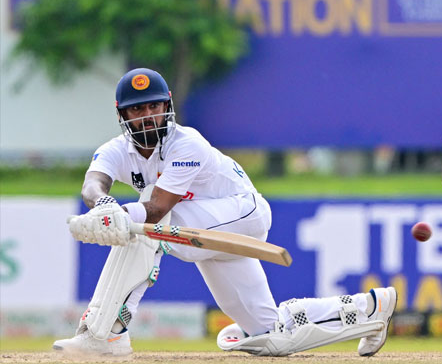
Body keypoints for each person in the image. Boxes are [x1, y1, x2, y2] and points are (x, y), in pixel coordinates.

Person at [53, 68, 397, 357]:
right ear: (122, 115)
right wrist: (103, 204)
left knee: (144, 221)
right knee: (269, 336)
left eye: (154, 106)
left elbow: (157, 207)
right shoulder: (116, 151)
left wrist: (120, 214)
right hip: (204, 233)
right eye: (137, 110)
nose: (147, 116)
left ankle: (106, 331)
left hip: (243, 214)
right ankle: (370, 307)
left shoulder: (187, 143)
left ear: (167, 106)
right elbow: (93, 184)